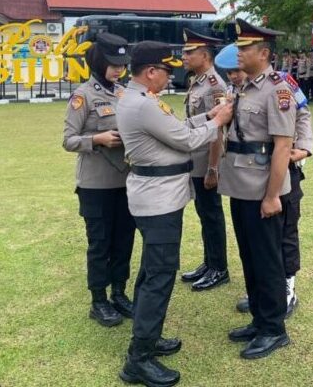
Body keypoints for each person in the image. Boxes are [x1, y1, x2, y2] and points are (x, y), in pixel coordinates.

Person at [116, 41, 233, 387]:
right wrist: (219, 120)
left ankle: (146, 337)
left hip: (154, 197)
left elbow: (173, 126)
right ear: (150, 72)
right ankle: (139, 358)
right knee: (160, 276)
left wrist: (207, 116)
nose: (170, 76)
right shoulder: (142, 103)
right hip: (159, 200)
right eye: (166, 70)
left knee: (151, 270)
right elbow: (184, 140)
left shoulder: (140, 99)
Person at [218, 19, 296, 360]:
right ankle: (259, 319)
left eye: (245, 48)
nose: (239, 53)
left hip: (262, 188)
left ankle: (274, 329)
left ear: (263, 53)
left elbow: (282, 147)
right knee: (250, 257)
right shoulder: (245, 87)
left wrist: (272, 195)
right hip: (240, 185)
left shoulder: (277, 91)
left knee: (267, 260)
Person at [63, 32, 135, 328]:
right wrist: (98, 139)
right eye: (112, 64)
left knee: (124, 242)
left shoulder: (123, 93)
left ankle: (119, 292)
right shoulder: (83, 96)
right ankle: (98, 300)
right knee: (100, 244)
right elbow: (68, 140)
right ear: (97, 62)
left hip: (125, 183)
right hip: (95, 185)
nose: (118, 69)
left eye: (121, 64)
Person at [179, 29, 230, 292]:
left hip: (206, 161)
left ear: (205, 55)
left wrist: (213, 168)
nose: (184, 56)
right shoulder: (197, 81)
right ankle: (209, 262)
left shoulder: (214, 86)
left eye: (189, 52)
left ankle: (219, 268)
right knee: (204, 213)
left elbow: (217, 131)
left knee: (211, 214)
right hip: (195, 158)